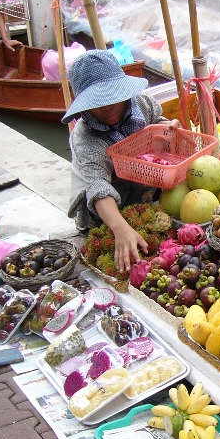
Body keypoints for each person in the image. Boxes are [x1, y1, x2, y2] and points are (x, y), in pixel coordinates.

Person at [62, 49, 181, 273]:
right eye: (97, 102)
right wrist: (120, 228)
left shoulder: (143, 104)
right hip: (105, 208)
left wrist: (170, 128)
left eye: (111, 98)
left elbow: (159, 122)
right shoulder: (86, 136)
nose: (106, 107)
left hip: (141, 189)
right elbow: (98, 186)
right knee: (114, 232)